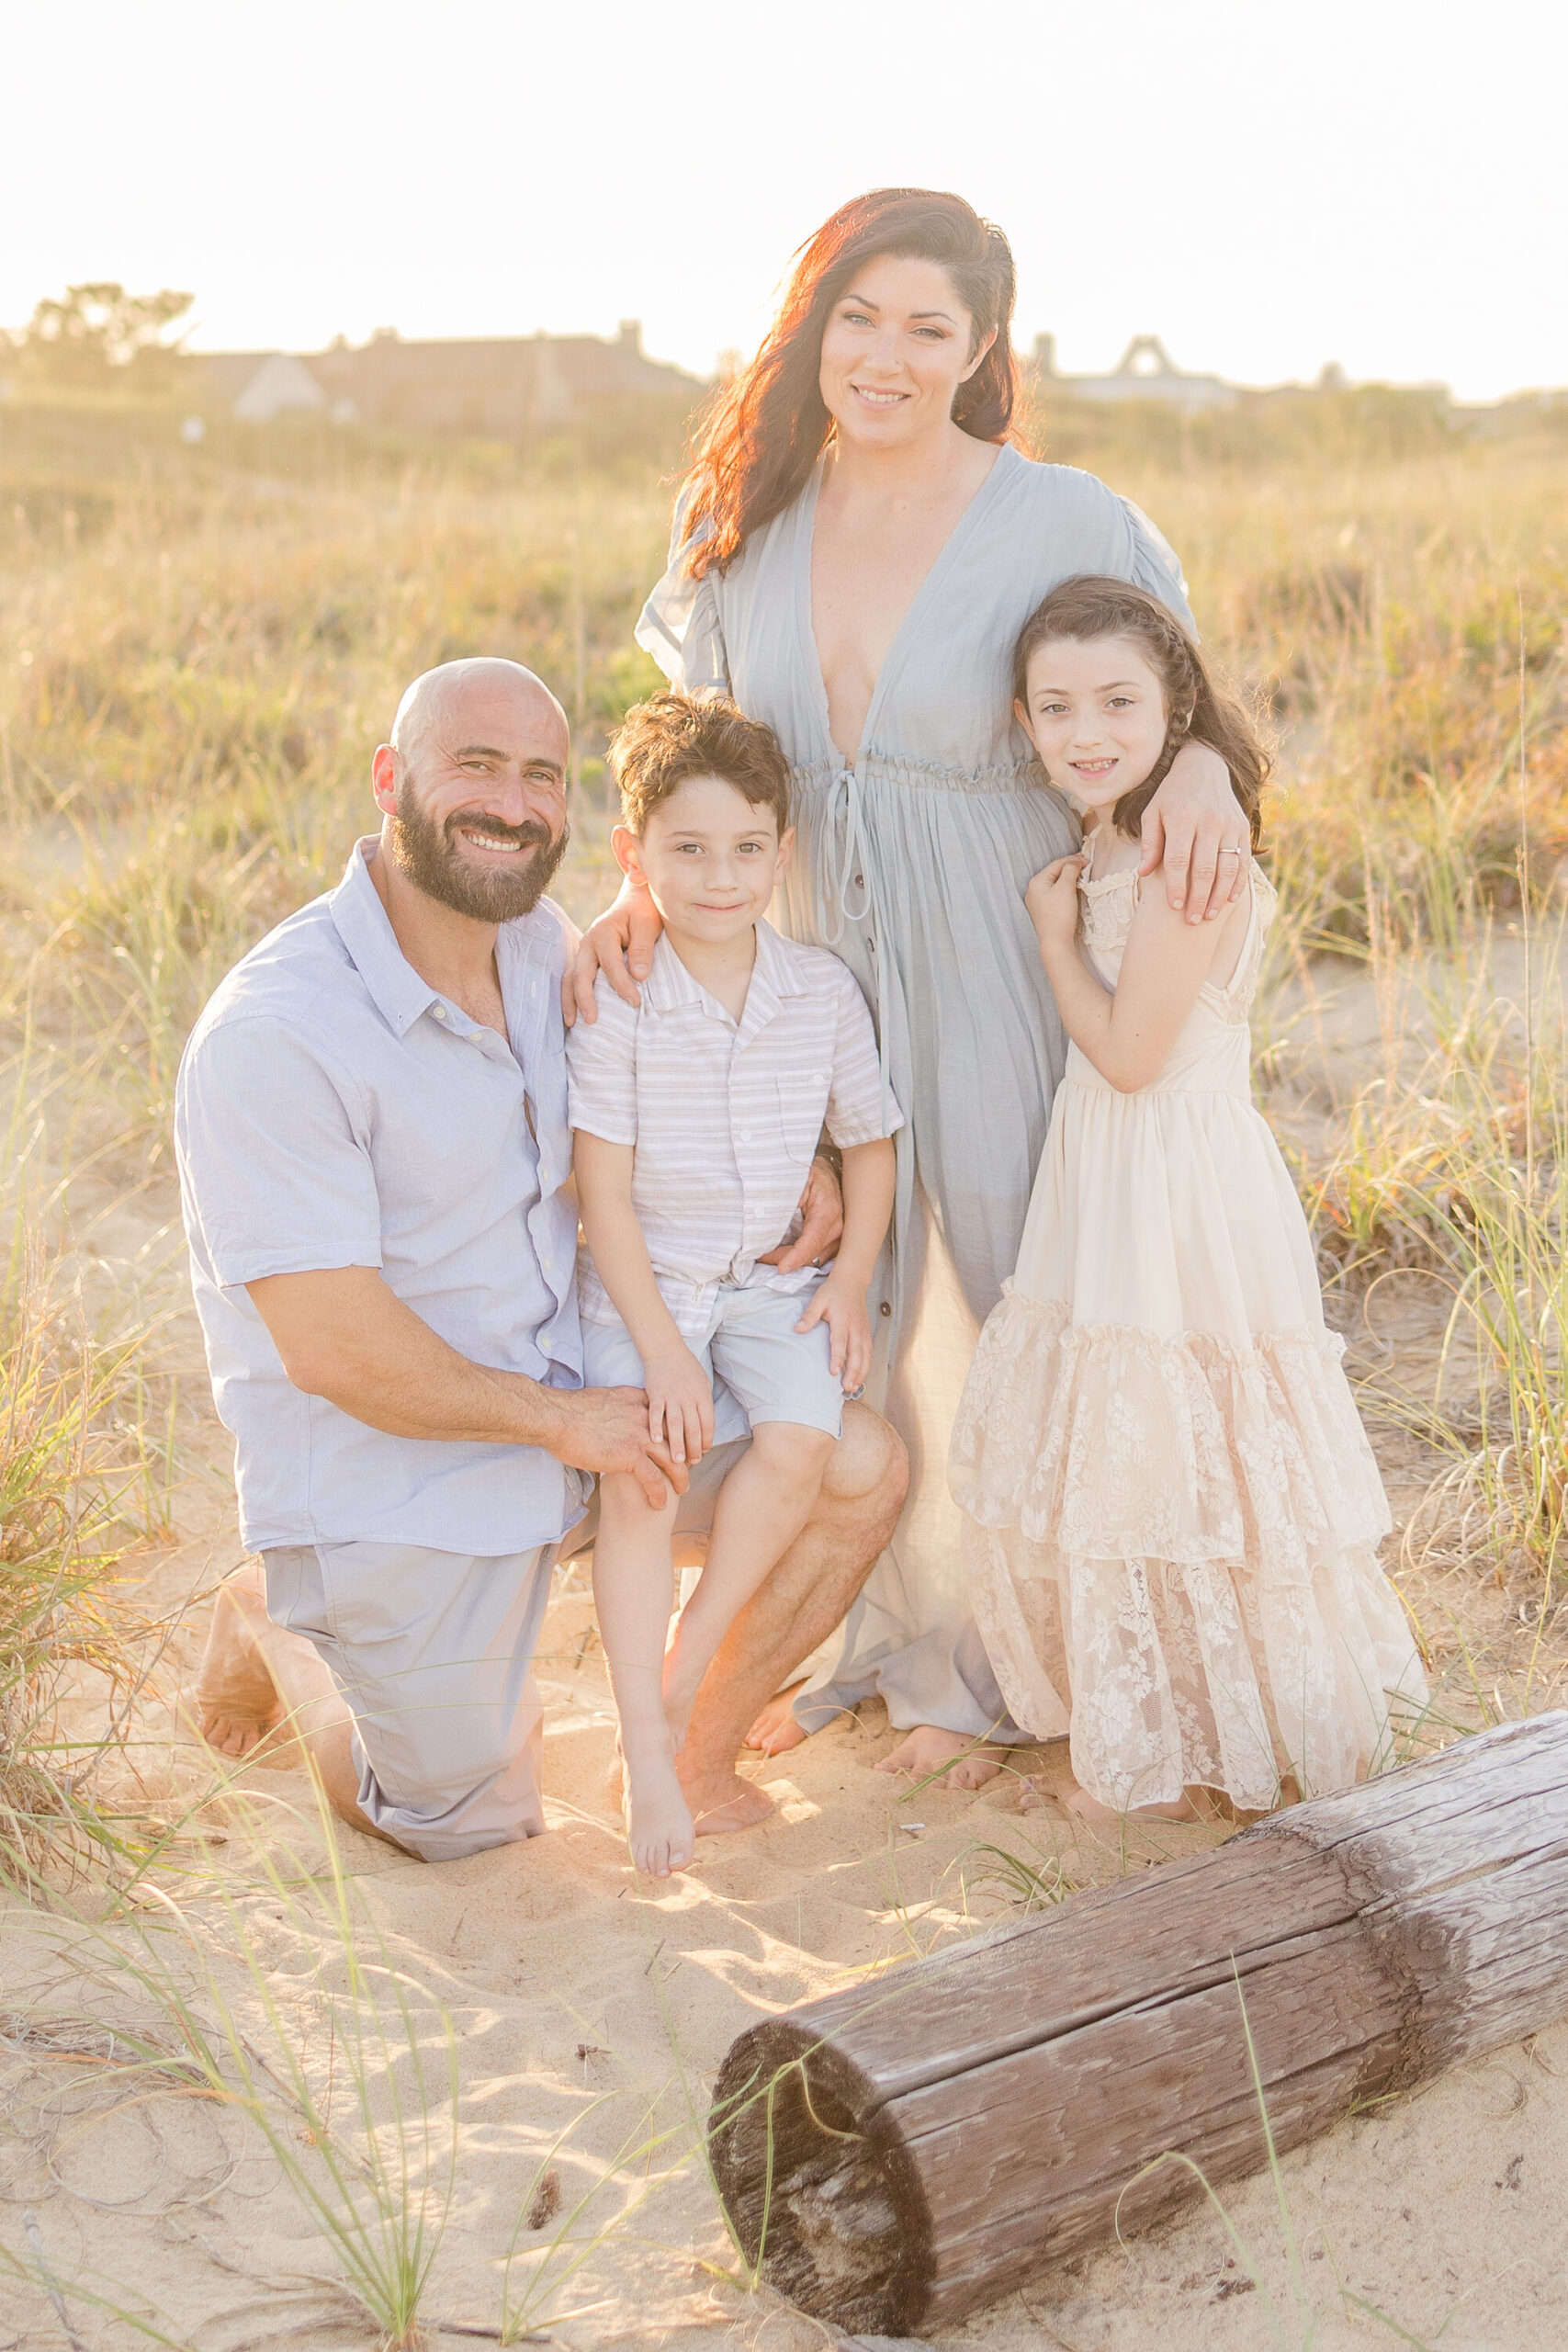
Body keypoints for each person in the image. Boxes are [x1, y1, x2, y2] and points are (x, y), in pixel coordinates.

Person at [568, 188, 1253, 1784]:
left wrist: (1208, 777)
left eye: (925, 329)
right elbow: (710, 767)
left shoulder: (1062, 512)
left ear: (980, 349)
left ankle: (1058, 1656)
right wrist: (632, 892)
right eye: (855, 318)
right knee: (853, 1308)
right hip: (810, 968)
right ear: (810, 326)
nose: (883, 355)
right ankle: (909, 1643)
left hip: (1004, 954)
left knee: (1022, 1292)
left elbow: (1167, 696)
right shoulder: (744, 529)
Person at [179, 657, 907, 1861]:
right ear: (387, 780)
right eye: (473, 765)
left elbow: (685, 1073)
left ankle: (681, 1747)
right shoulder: (277, 1036)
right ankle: (280, 1630)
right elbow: (330, 1348)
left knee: (856, 1464)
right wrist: (561, 1426)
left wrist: (807, 1173)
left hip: (596, 1393)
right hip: (412, 1474)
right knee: (465, 1815)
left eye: (538, 776)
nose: (511, 804)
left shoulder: (550, 950)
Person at [950, 578, 1427, 1818]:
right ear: (1021, 721)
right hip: (1110, 1174)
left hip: (1172, 1184)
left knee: (1196, 1451)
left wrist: (1051, 941)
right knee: (1140, 1450)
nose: (1084, 730)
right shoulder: (1117, 829)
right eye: (1055, 708)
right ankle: (1157, 1728)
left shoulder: (1175, 852)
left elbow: (1129, 1054)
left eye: (1117, 700)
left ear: (1177, 710)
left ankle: (1230, 1737)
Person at [569, 692, 900, 1874]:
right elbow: (602, 1197)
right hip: (644, 1286)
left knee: (806, 1434)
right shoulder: (618, 998)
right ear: (633, 857)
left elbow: (870, 1141)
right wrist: (659, 1349)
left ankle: (675, 1677)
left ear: (783, 850)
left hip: (764, 1286)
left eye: (748, 849)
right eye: (689, 850)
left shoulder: (815, 991)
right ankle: (646, 1752)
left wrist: (853, 1272)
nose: (721, 877)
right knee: (649, 1467)